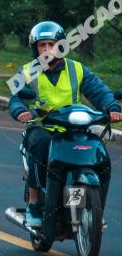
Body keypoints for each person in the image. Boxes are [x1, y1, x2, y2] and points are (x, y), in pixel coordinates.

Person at [9, 21, 120, 227]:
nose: (47, 49)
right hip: (43, 128)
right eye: (42, 45)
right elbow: (16, 98)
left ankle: (94, 210)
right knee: (41, 145)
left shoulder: (77, 69)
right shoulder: (26, 71)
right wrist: (21, 111)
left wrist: (112, 107)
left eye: (51, 44)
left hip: (74, 128)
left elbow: (99, 92)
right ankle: (34, 202)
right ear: (35, 48)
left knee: (99, 154)